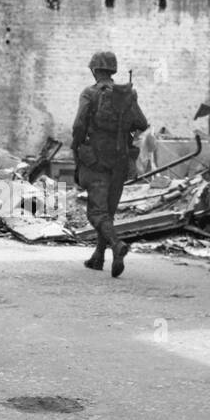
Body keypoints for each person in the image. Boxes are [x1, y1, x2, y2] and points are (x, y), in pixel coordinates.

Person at [71, 50, 149, 277]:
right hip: (121, 159)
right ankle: (99, 257)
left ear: (95, 70)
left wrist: (76, 147)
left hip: (96, 160)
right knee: (109, 212)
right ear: (112, 70)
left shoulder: (90, 93)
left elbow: (78, 125)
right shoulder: (126, 94)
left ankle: (116, 245)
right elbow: (142, 123)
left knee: (96, 213)